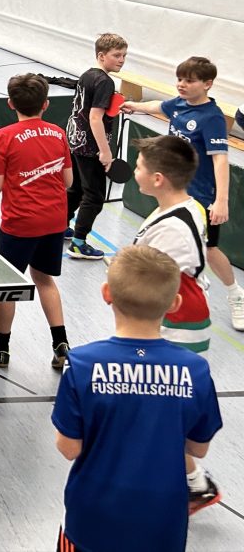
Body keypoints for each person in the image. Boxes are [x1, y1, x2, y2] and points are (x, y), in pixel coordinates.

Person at [52, 245, 222, 552]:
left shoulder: (81, 365)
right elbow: (199, 447)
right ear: (175, 303)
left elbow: (68, 448)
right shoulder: (195, 370)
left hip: (91, 519)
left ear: (106, 293)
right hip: (163, 522)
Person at [130, 134, 223, 514]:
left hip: (179, 323)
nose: (134, 170)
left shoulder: (173, 228)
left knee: (160, 412)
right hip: (176, 317)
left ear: (158, 179)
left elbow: (148, 281)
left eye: (139, 166)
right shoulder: (186, 205)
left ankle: (196, 485)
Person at [123, 57, 243, 331]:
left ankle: (236, 294)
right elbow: (158, 106)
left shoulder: (212, 118)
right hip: (174, 192)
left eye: (189, 80)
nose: (181, 84)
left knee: (209, 249)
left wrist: (221, 200)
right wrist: (136, 106)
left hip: (200, 198)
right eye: (179, 79)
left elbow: (220, 159)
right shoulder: (179, 104)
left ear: (207, 84)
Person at [0, 73, 73, 371]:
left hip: (20, 223)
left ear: (11, 103)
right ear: (45, 104)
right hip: (55, 220)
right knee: (44, 280)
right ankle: (61, 343)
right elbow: (68, 181)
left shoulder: (3, 136)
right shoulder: (58, 133)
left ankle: (2, 348)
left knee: (6, 285)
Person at [65, 32, 127, 259]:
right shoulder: (105, 82)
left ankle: (59, 226)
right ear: (102, 56)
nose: (121, 60)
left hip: (75, 140)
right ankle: (78, 243)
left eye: (124, 55)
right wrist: (105, 150)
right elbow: (94, 118)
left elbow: (88, 108)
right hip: (91, 147)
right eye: (116, 55)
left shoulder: (87, 75)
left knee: (76, 188)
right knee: (95, 196)